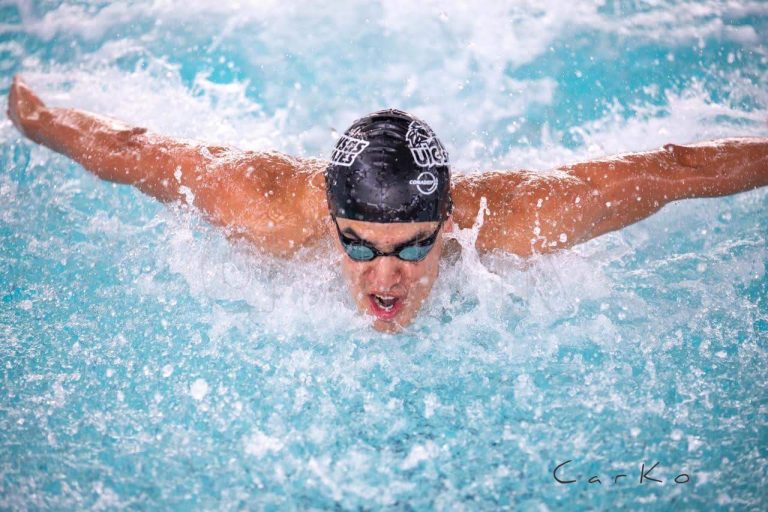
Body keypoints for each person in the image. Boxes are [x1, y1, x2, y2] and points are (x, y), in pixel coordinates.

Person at [7, 75, 768, 332]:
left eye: (412, 247)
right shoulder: (265, 207)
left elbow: (674, 169)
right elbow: (136, 151)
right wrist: (35, 118)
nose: (385, 279)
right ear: (331, 222)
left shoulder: (513, 220)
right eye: (360, 246)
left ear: (447, 224)